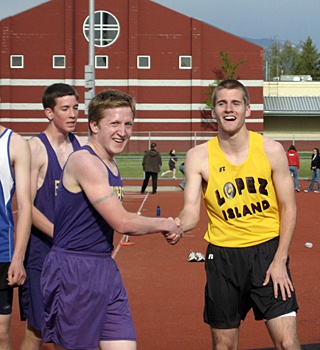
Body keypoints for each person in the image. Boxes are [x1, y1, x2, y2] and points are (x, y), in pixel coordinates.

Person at [40, 89, 181, 350]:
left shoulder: (112, 164)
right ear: (94, 125)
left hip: (105, 269)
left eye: (128, 124)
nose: (123, 131)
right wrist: (166, 223)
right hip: (74, 270)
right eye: (114, 123)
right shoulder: (85, 161)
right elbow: (122, 222)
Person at [176, 79, 300, 349]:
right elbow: (190, 211)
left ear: (248, 109)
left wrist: (280, 260)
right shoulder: (198, 156)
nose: (228, 109)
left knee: (287, 344)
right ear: (213, 111)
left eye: (235, 103)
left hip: (268, 254)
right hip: (223, 257)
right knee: (224, 346)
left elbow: (289, 207)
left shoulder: (271, 150)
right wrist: (176, 225)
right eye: (222, 103)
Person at [19, 83, 87, 349]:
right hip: (43, 253)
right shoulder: (34, 149)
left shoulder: (81, 147)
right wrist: (60, 235)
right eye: (65, 109)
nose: (73, 114)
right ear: (49, 112)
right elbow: (26, 206)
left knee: (70, 327)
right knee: (37, 330)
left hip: (73, 255)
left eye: (76, 108)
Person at [0, 125, 32, 350]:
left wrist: (18, 258)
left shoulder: (14, 143)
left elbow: (25, 205)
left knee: (1, 332)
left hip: (1, 249)